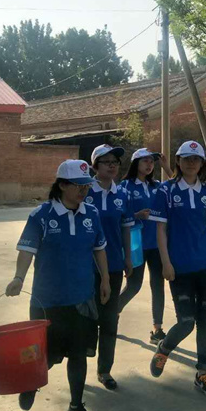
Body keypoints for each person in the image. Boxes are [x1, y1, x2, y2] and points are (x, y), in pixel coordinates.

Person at [6, 159, 110, 411]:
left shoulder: (91, 214)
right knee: (45, 355)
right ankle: (30, 383)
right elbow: (26, 250)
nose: (84, 191)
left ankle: (76, 407)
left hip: (82, 299)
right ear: (62, 185)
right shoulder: (41, 216)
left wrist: (106, 280)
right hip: (47, 301)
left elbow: (99, 249)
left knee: (78, 354)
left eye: (86, 186)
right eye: (78, 186)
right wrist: (18, 278)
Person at [147, 140, 206, 397]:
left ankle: (203, 373)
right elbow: (160, 230)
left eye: (196, 159)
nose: (191, 162)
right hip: (179, 267)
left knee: (205, 320)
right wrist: (166, 262)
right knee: (186, 321)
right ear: (178, 162)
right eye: (186, 158)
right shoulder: (166, 191)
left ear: (202, 164)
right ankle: (164, 348)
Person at [86, 144, 134, 390]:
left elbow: (125, 229)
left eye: (115, 161)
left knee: (109, 320)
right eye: (106, 162)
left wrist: (128, 258)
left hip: (114, 264)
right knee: (86, 317)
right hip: (85, 267)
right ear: (95, 166)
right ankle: (81, 358)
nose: (112, 165)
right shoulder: (84, 191)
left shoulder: (121, 194)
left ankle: (104, 370)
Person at [118, 147, 173, 343]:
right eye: (145, 161)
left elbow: (177, 186)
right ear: (136, 164)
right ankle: (112, 313)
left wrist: (166, 167)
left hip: (156, 244)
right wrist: (137, 215)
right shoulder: (124, 187)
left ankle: (157, 329)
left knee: (158, 286)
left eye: (152, 161)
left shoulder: (157, 186)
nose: (149, 165)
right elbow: (119, 215)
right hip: (136, 244)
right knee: (134, 285)